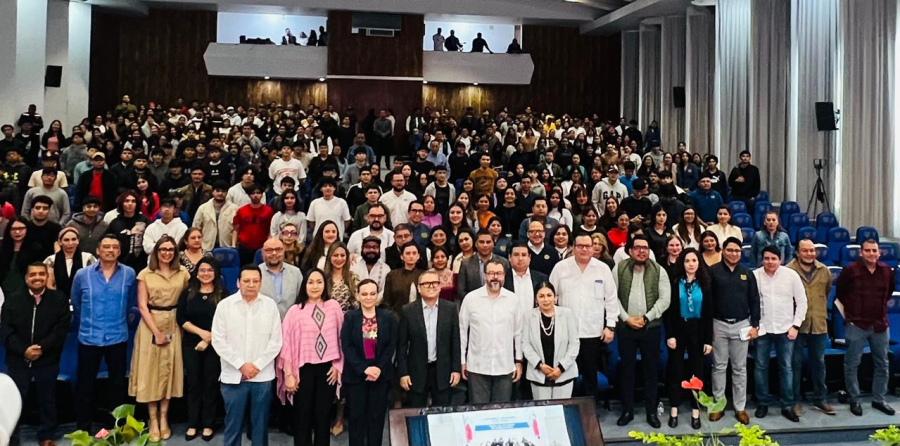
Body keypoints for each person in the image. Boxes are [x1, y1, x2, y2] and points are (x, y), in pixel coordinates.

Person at [71, 234, 138, 432]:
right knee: (85, 386)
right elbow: (76, 303)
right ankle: (84, 428)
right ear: (98, 250)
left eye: (115, 247)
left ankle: (116, 428)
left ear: (120, 251)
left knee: (117, 386)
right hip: (89, 337)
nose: (110, 250)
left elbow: (131, 302)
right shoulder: (82, 275)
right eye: (106, 247)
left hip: (118, 336)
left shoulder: (129, 274)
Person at [212, 265, 283, 446]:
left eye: (255, 281)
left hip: (262, 376)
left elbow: (275, 342)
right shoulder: (224, 306)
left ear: (261, 283)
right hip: (233, 376)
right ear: (238, 282)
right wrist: (241, 365)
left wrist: (257, 366)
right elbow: (218, 341)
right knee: (233, 425)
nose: (251, 284)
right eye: (246, 281)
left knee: (260, 426)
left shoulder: (270, 306)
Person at [1, 262, 70, 446]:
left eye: (41, 274)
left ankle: (46, 436)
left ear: (47, 277)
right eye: (33, 275)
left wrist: (41, 348)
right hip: (18, 360)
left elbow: (61, 329)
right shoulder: (13, 300)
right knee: (14, 402)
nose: (37, 278)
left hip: (47, 359)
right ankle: (12, 438)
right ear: (26, 279)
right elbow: (6, 331)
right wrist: (24, 350)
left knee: (48, 400)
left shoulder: (59, 299)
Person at [129, 235, 190, 441]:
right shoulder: (145, 274)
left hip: (174, 322)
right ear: (156, 251)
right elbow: (142, 305)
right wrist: (156, 332)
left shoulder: (183, 274)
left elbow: (186, 300)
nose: (167, 253)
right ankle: (152, 419)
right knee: (151, 373)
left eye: (170, 249)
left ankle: (164, 417)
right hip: (151, 324)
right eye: (163, 249)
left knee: (169, 371)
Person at [277, 268, 344, 446]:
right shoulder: (295, 311)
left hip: (327, 370)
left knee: (323, 418)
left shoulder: (334, 307)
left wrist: (338, 366)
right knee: (302, 418)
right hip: (302, 370)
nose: (315, 286)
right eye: (311, 282)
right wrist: (289, 374)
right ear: (304, 285)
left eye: (319, 282)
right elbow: (286, 345)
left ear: (325, 285)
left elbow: (341, 339)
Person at [550, 233, 618, 401]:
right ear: (574, 248)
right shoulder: (561, 268)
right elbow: (550, 297)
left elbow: (611, 299)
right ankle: (565, 407)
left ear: (593, 248)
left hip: (592, 332)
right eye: (580, 246)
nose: (584, 249)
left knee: (590, 376)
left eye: (588, 246)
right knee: (564, 375)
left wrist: (610, 326)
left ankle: (590, 411)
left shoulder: (602, 269)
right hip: (565, 333)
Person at [612, 234, 671, 428]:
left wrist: (646, 318)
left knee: (650, 371)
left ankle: (651, 412)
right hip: (626, 327)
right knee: (627, 370)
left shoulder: (659, 270)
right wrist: (626, 318)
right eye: (637, 248)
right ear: (630, 251)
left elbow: (665, 300)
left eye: (645, 248)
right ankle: (627, 410)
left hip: (650, 328)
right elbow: (612, 296)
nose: (641, 251)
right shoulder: (619, 268)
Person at [835, 239, 896, 417]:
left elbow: (888, 294)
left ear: (879, 253)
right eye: (867, 250)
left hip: (880, 324)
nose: (871, 254)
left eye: (874, 250)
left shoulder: (886, 271)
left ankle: (879, 399)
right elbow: (841, 294)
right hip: (857, 324)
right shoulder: (850, 270)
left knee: (882, 363)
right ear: (861, 252)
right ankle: (854, 399)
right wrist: (852, 315)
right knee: (852, 363)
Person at [708, 237, 760, 425]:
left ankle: (740, 407)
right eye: (730, 250)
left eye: (737, 250)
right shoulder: (713, 272)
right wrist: (708, 327)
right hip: (718, 324)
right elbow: (707, 301)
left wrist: (755, 325)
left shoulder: (747, 273)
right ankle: (718, 405)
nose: (734, 253)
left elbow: (754, 300)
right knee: (719, 367)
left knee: (740, 368)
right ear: (723, 251)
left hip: (742, 325)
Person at [752, 246, 807, 422]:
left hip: (786, 329)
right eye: (766, 258)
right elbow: (749, 303)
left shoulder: (791, 275)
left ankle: (787, 405)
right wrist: (754, 326)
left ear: (780, 259)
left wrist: (795, 326)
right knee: (760, 367)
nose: (770, 262)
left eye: (773, 258)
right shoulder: (755, 276)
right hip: (762, 329)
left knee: (786, 368)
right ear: (762, 259)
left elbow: (802, 302)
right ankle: (762, 403)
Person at [341, 279, 397, 446]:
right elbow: (347, 346)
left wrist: (378, 368)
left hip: (380, 376)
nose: (368, 297)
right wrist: (364, 369)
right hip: (356, 376)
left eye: (372, 293)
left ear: (377, 295)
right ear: (358, 295)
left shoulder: (388, 317)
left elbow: (391, 345)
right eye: (364, 294)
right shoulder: (350, 317)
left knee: (376, 419)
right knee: (356, 419)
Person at [459, 260, 523, 403]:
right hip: (477, 367)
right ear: (485, 275)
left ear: (504, 276)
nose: (495, 277)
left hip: (505, 366)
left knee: (501, 412)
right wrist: (462, 361)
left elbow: (518, 333)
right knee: (478, 411)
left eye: (499, 273)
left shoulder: (513, 300)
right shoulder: (471, 299)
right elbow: (462, 331)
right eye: (491, 273)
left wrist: (518, 361)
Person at [397, 270, 462, 407]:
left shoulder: (450, 308)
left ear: (440, 286)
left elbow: (455, 341)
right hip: (416, 372)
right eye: (426, 284)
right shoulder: (408, 311)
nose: (431, 286)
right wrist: (403, 373)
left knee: (442, 414)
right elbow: (402, 345)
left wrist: (456, 369)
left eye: (434, 283)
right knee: (416, 413)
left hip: (443, 371)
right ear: (419, 288)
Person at [177, 257, 224, 441]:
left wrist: (209, 338)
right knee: (194, 384)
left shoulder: (223, 294)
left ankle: (208, 424)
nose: (206, 273)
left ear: (216, 273)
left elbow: (226, 321)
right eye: (202, 270)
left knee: (210, 385)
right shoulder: (188, 292)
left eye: (210, 270)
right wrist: (201, 333)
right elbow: (181, 318)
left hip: (215, 346)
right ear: (196, 273)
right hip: (191, 345)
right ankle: (193, 423)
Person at [664, 248, 712, 429]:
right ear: (682, 263)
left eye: (694, 260)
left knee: (697, 371)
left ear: (699, 263)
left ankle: (695, 410)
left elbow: (709, 313)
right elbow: (669, 311)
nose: (691, 264)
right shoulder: (675, 282)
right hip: (678, 329)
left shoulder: (705, 283)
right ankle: (674, 409)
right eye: (687, 261)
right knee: (675, 369)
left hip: (698, 329)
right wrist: (670, 335)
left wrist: (708, 340)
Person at [786, 239, 835, 416]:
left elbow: (826, 292)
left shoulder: (824, 270)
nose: (809, 254)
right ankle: (795, 400)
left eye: (812, 250)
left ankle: (820, 398)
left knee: (819, 363)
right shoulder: (788, 271)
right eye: (805, 251)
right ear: (797, 253)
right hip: (796, 326)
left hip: (819, 324)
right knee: (795, 365)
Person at [521, 281, 579, 400]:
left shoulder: (567, 314)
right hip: (539, 374)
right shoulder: (528, 316)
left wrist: (561, 368)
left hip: (564, 373)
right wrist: (540, 365)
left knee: (561, 409)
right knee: (542, 410)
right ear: (536, 299)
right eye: (541, 296)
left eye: (549, 295)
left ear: (555, 297)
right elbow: (525, 344)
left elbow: (574, 344)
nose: (546, 299)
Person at [44, 227, 97, 300]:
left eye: (73, 239)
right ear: (60, 242)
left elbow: (94, 282)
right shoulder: (51, 260)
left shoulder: (88, 258)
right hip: (57, 300)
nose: (70, 243)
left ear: (78, 241)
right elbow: (48, 285)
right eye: (66, 240)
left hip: (83, 298)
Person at [457, 229, 511, 301]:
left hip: (498, 303)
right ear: (476, 244)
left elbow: (508, 288)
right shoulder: (466, 263)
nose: (485, 245)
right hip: (474, 303)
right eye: (481, 242)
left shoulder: (503, 262)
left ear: (493, 244)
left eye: (488, 242)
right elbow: (461, 291)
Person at [259, 238, 304, 319]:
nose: (274, 253)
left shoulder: (296, 272)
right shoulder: (255, 273)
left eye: (278, 249)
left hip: (291, 322)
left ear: (283, 251)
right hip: (262, 322)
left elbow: (302, 300)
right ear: (262, 252)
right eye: (269, 250)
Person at [107, 190, 151, 271]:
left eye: (133, 201)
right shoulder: (115, 223)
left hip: (141, 264)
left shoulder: (145, 221)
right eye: (127, 201)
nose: (130, 204)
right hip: (120, 264)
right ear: (121, 203)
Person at [232, 184, 274, 266]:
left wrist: (268, 245)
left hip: (261, 246)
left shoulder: (268, 211)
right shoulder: (241, 210)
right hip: (244, 247)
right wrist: (233, 245)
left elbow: (270, 230)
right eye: (253, 193)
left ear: (262, 195)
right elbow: (236, 229)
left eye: (258, 193)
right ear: (249, 195)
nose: (255, 195)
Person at [193, 181, 239, 251]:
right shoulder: (203, 208)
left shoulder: (235, 209)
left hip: (227, 247)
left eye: (223, 191)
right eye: (218, 191)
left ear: (227, 193)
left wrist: (233, 245)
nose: (220, 193)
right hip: (206, 247)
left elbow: (237, 229)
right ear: (212, 192)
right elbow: (196, 228)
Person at [504, 242, 549, 313]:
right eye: (516, 255)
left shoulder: (541, 278)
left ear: (529, 257)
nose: (520, 258)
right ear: (509, 257)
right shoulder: (502, 278)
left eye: (524, 255)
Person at [384, 242, 424, 314]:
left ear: (418, 256)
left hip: (420, 316)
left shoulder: (424, 275)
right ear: (402, 256)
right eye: (408, 253)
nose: (411, 256)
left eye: (414, 253)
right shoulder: (392, 275)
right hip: (397, 315)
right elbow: (387, 301)